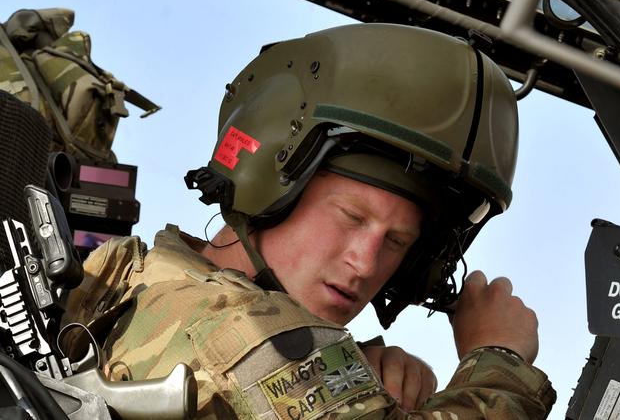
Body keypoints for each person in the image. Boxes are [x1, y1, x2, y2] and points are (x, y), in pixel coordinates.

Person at [62, 23, 556, 418]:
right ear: (266, 185)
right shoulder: (244, 332)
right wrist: (498, 356)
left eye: (397, 242)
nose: (364, 263)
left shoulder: (145, 282)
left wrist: (353, 371)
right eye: (350, 217)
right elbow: (256, 355)